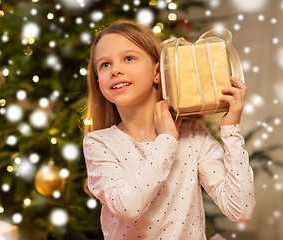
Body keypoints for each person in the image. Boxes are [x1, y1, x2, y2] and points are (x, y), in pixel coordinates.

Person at [83, 20, 255, 240]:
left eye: (128, 58)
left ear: (158, 71)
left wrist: (231, 128)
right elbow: (128, 207)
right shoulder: (99, 143)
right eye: (104, 64)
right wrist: (166, 141)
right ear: (98, 81)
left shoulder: (194, 135)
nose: (115, 70)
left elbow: (241, 210)